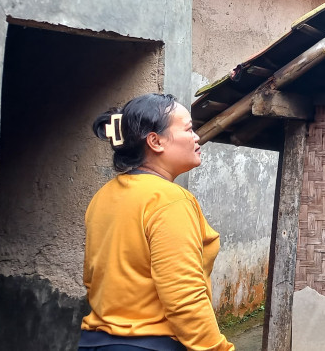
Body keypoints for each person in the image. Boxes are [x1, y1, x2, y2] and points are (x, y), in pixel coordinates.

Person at [78, 93, 234, 351]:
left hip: (95, 343)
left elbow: (93, 279)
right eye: (188, 129)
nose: (197, 137)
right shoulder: (170, 200)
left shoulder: (103, 197)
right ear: (155, 141)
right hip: (150, 345)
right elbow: (184, 296)